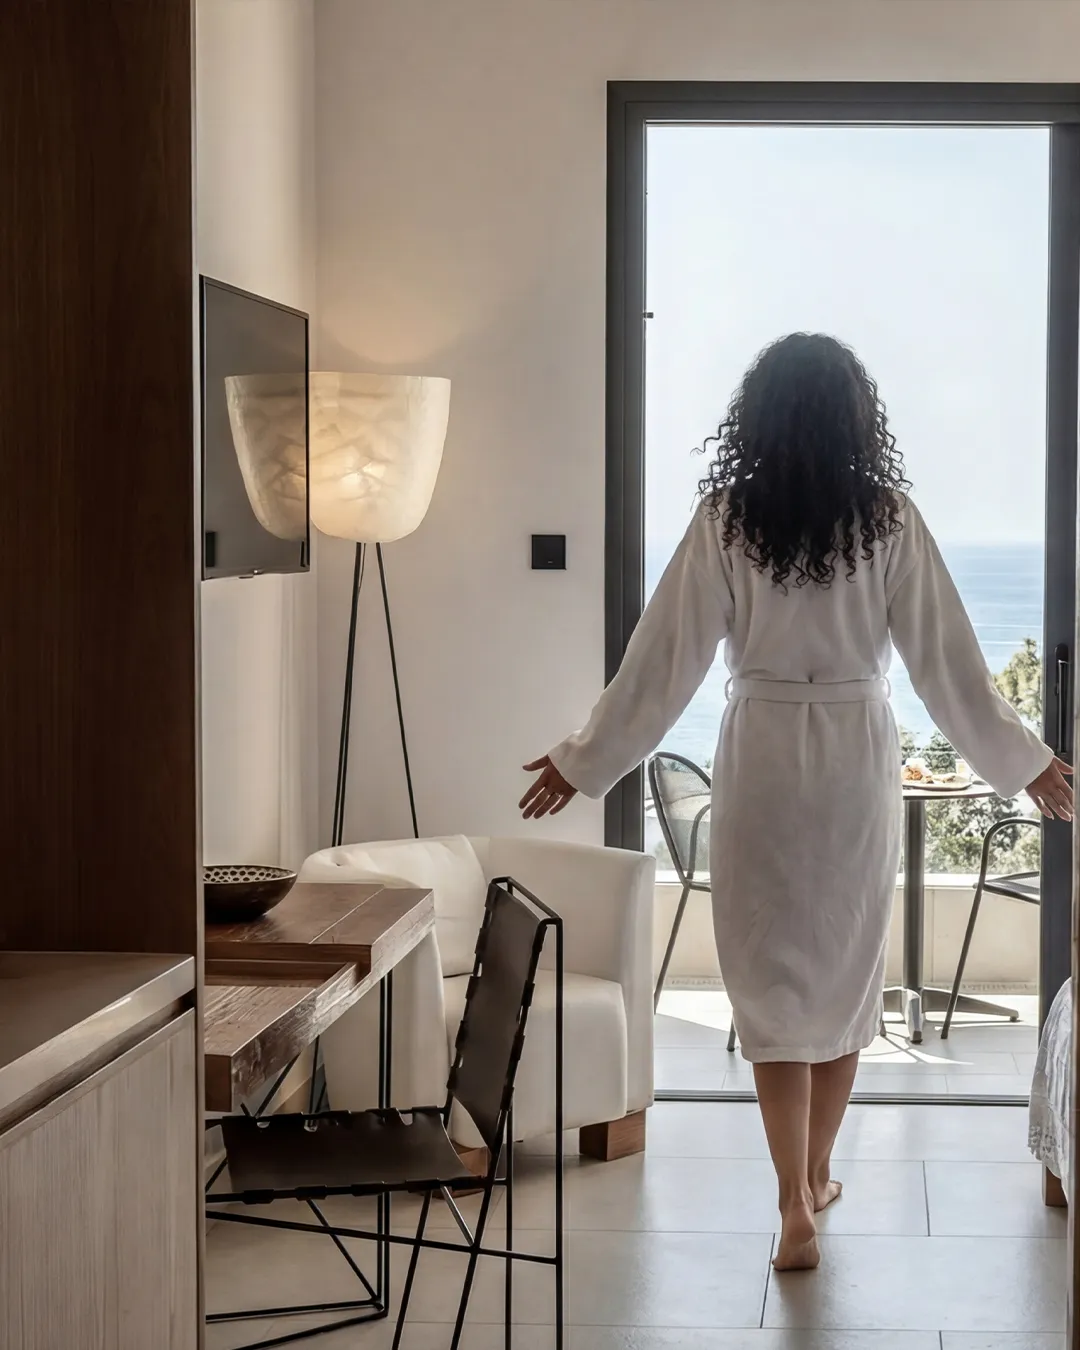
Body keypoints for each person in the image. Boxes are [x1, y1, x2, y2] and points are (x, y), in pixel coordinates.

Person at [519, 332, 1072, 1273]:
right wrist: (1025, 763)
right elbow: (949, 667)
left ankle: (789, 1201)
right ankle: (816, 1178)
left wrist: (584, 759)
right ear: (860, 418)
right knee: (843, 978)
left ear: (757, 417)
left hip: (764, 755)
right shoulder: (889, 518)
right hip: (855, 752)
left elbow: (662, 661)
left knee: (771, 982)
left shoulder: (728, 518)